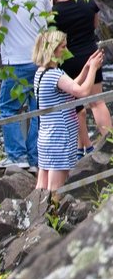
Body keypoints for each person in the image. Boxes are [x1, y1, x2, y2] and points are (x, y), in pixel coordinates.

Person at [0, 0, 53, 170]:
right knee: (37, 109)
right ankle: (35, 158)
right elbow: (49, 16)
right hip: (41, 59)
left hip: (16, 61)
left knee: (7, 108)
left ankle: (16, 156)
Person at [33, 29, 104, 191]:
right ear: (52, 49)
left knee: (42, 187)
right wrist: (94, 69)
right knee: (55, 189)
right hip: (60, 139)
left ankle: (36, 215)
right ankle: (52, 215)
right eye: (63, 47)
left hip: (47, 137)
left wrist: (86, 68)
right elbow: (83, 92)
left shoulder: (43, 72)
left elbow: (70, 87)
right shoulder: (55, 75)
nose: (66, 50)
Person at [52, 0, 109, 146]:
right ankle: (109, 143)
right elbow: (95, 24)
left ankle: (84, 145)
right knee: (97, 102)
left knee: (74, 106)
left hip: (68, 59)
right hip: (91, 55)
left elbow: (52, 38)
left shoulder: (54, 12)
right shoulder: (86, 0)